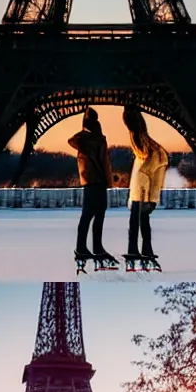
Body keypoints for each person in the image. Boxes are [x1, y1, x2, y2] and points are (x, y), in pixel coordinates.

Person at [68, 108, 116, 270]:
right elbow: (104, 162)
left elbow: (72, 140)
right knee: (99, 213)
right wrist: (110, 181)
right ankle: (97, 247)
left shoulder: (81, 140)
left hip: (87, 180)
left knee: (87, 214)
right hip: (99, 180)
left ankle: (81, 247)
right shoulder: (99, 139)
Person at [122, 104, 169, 271]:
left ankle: (139, 252)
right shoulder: (147, 151)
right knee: (139, 225)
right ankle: (140, 252)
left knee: (138, 225)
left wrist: (151, 199)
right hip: (140, 194)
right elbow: (141, 176)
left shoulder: (152, 152)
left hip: (143, 195)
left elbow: (146, 176)